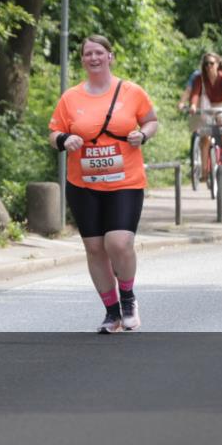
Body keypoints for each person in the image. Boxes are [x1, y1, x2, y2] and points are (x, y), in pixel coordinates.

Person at [49, 34, 158, 333]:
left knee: (118, 242)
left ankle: (128, 298)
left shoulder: (131, 92)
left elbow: (151, 120)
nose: (93, 58)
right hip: (83, 184)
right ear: (82, 60)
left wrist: (143, 135)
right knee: (95, 248)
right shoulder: (70, 98)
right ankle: (112, 313)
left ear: (110, 56)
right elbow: (54, 132)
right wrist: (64, 139)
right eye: (88, 54)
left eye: (99, 52)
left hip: (125, 181)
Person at [189, 53, 222, 182]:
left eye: (211, 63)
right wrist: (193, 105)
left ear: (217, 64)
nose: (209, 66)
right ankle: (204, 172)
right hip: (208, 107)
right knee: (205, 137)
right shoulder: (200, 78)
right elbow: (194, 94)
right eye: (206, 64)